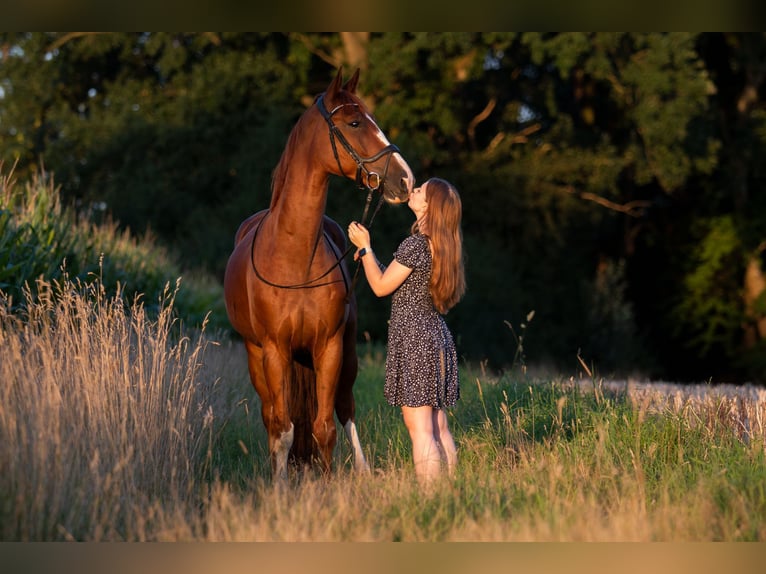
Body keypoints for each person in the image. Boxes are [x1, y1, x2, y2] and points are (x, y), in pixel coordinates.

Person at [347, 177, 466, 486]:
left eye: (419, 191)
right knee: (439, 426)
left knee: (421, 430)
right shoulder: (442, 245)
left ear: (429, 206)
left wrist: (365, 247)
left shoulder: (415, 245)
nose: (413, 191)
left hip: (415, 341)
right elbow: (397, 279)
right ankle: (450, 492)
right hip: (436, 337)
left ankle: (430, 501)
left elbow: (381, 287)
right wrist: (369, 257)